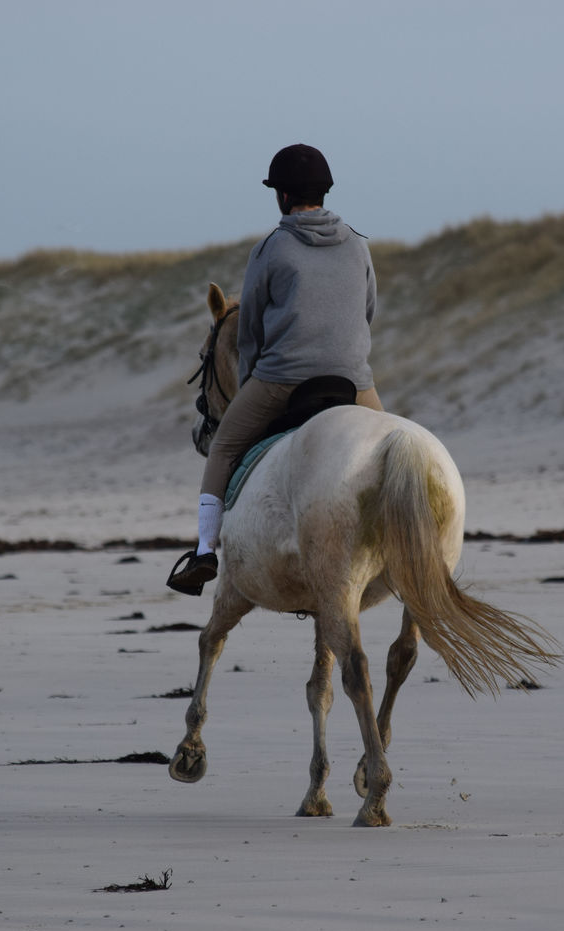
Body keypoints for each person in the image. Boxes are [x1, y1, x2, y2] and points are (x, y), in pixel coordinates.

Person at [167, 143, 382, 595]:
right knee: (388, 447)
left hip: (283, 380)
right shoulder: (359, 245)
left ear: (282, 196)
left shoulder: (271, 247)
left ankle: (204, 552)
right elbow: (367, 311)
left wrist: (252, 383)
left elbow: (250, 333)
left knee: (224, 448)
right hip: (354, 381)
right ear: (323, 193)